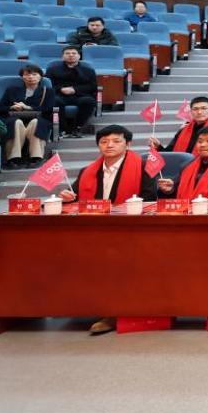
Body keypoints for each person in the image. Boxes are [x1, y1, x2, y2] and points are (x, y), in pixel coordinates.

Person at [59, 124, 159, 335]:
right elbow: (75, 197)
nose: (109, 145)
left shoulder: (143, 167)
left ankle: (113, 311)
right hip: (94, 229)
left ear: (127, 144)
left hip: (131, 230)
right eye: (104, 142)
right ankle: (88, 305)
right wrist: (67, 197)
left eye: (116, 141)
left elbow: (149, 200)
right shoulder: (88, 171)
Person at [156, 125, 208, 201]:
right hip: (188, 207)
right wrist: (170, 190)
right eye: (200, 141)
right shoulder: (188, 165)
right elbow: (175, 191)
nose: (202, 145)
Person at [0, 64, 54, 167]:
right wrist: (12, 107)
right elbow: (1, 107)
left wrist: (29, 107)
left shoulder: (48, 91)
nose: (30, 77)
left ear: (40, 77)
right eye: (27, 74)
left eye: (34, 74)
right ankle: (13, 158)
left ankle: (36, 157)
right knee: (15, 122)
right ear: (22, 77)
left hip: (38, 119)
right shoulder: (12, 90)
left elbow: (49, 109)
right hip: (14, 118)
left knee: (37, 122)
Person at [46, 46, 97, 137]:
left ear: (79, 56)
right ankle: (62, 129)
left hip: (80, 95)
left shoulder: (88, 71)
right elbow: (49, 85)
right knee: (54, 101)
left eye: (74, 53)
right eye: (67, 53)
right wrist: (61, 89)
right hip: (60, 94)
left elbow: (92, 86)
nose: (71, 55)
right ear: (62, 56)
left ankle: (77, 128)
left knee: (88, 101)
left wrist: (74, 90)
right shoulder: (52, 70)